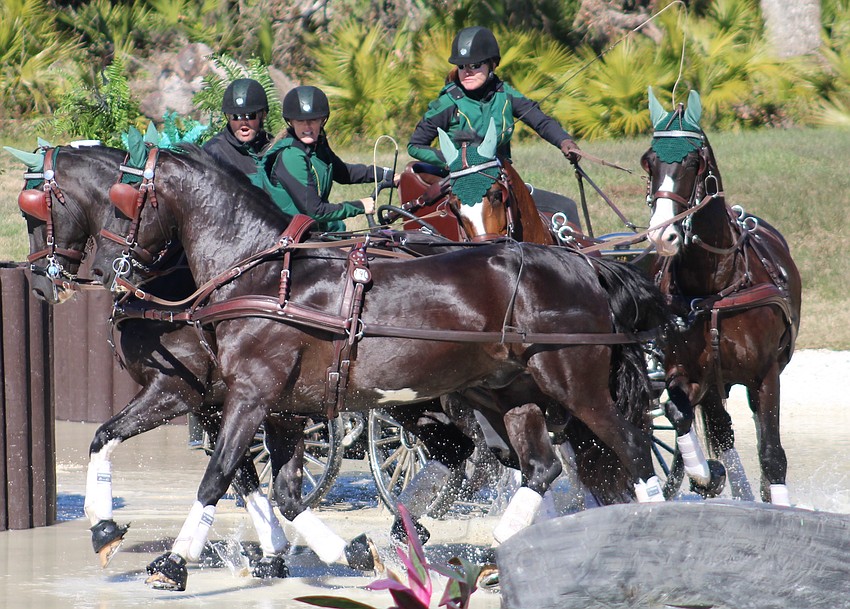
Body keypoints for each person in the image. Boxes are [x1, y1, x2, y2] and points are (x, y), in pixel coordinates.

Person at [408, 26, 582, 169]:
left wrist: (564, 141)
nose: (467, 72)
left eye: (475, 65)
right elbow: (415, 146)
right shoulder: (447, 103)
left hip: (501, 175)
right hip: (459, 180)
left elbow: (541, 122)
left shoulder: (506, 95)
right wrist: (452, 161)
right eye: (461, 66)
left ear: (492, 64)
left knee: (563, 208)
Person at [265, 85, 395, 230]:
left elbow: (344, 173)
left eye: (313, 120)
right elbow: (315, 211)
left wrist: (387, 174)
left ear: (322, 121)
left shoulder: (318, 146)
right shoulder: (291, 156)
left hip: (312, 230)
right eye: (301, 121)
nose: (307, 127)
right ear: (291, 122)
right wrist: (359, 206)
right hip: (290, 236)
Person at [203, 78, 272, 176]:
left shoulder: (273, 146)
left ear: (263, 115)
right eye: (236, 116)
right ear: (228, 117)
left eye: (250, 115)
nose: (243, 122)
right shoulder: (213, 152)